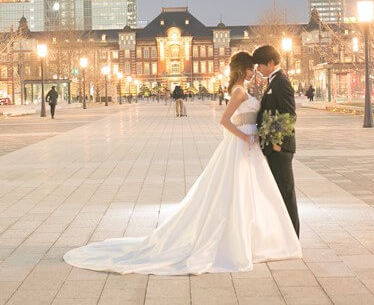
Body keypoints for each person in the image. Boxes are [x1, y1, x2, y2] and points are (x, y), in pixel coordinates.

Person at [63, 51, 301, 275]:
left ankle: (253, 238)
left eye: (256, 67)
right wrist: (247, 136)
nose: (255, 71)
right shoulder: (239, 91)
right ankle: (241, 240)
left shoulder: (248, 89)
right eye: (252, 68)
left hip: (251, 148)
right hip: (243, 144)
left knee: (250, 191)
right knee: (238, 192)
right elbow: (224, 120)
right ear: (243, 69)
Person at [253, 45, 300, 237]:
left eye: (260, 65)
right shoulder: (273, 81)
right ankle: (284, 235)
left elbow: (289, 114)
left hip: (280, 148)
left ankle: (292, 237)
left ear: (270, 63)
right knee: (279, 192)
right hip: (273, 148)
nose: (257, 69)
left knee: (286, 192)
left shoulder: (281, 82)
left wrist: (276, 142)